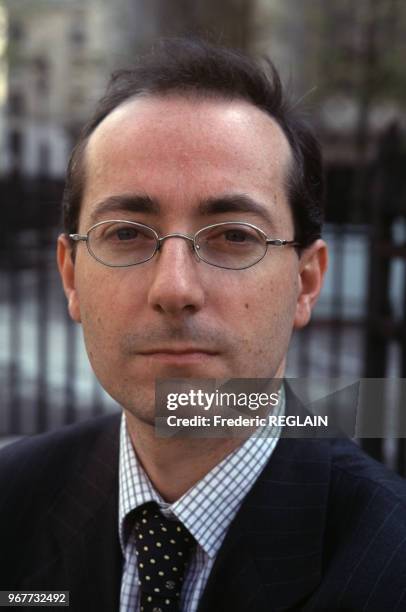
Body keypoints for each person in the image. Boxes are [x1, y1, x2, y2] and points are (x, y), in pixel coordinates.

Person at [1, 39, 406, 612]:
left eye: (234, 236)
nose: (174, 289)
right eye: (126, 234)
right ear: (70, 275)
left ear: (306, 282)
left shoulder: (389, 564)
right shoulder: (12, 502)